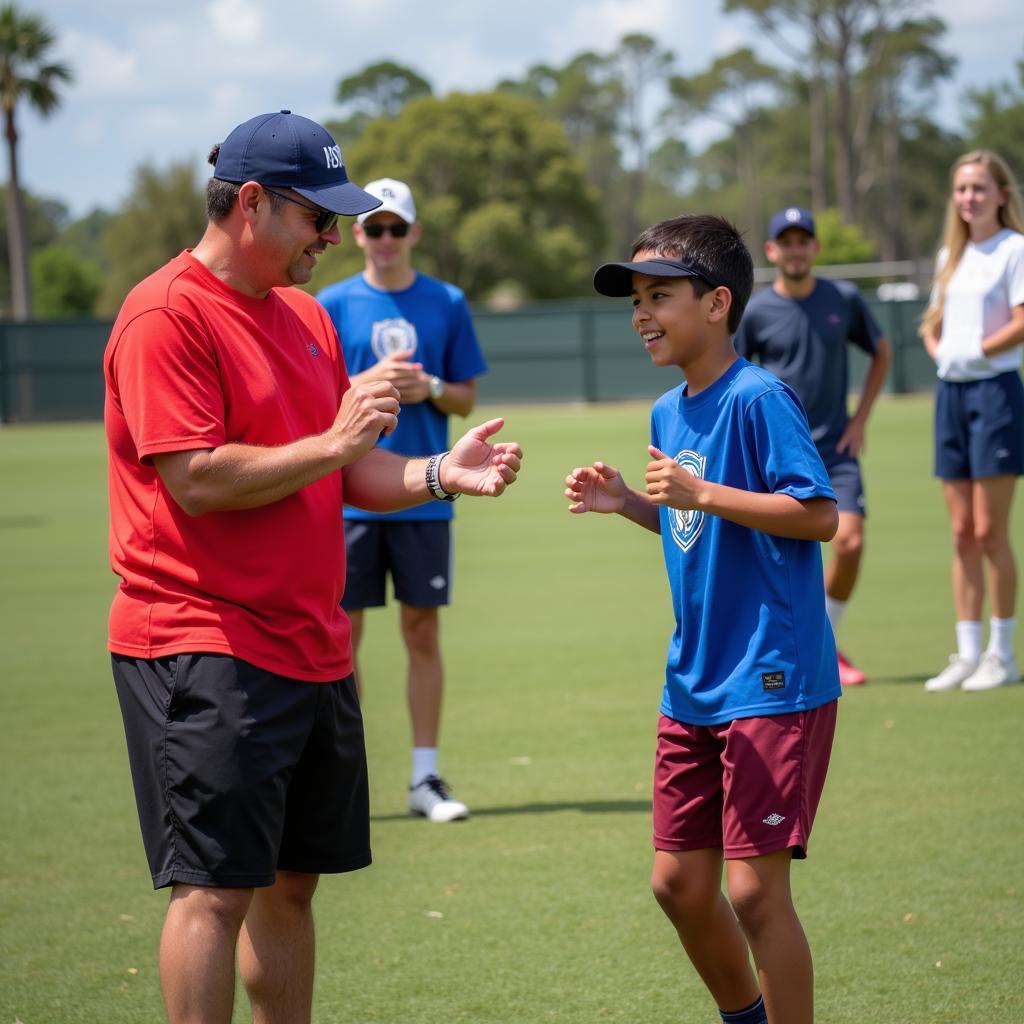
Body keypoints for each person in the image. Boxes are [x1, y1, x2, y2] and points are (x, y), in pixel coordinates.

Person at [103, 110, 522, 1024]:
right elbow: (198, 480)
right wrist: (334, 442)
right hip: (201, 641)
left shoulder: (301, 316)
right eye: (316, 217)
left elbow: (346, 470)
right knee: (214, 892)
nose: (332, 237)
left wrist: (436, 472)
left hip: (311, 646)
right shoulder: (164, 313)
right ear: (250, 204)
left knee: (292, 888)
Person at [565, 215, 840, 1024]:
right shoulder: (666, 413)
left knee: (755, 892)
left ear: (718, 303)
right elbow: (695, 523)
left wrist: (704, 493)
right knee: (680, 884)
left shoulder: (759, 399)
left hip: (769, 673)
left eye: (660, 296)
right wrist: (631, 506)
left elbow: (817, 513)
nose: (643, 314)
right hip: (692, 680)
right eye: (636, 301)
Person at [317, 178, 487, 822]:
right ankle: (345, 778)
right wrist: (365, 383)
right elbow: (313, 395)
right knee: (342, 635)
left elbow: (466, 397)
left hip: (425, 492)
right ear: (357, 233)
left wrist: (430, 386)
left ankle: (424, 777)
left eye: (397, 228)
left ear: (413, 232)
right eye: (373, 228)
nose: (385, 239)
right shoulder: (328, 303)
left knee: (422, 629)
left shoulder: (446, 301)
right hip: (348, 496)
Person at [734, 207, 892, 687]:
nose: (796, 249)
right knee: (775, 559)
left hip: (837, 452)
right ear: (772, 251)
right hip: (777, 456)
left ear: (815, 249)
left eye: (805, 240)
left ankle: (824, 639)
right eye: (788, 240)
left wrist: (860, 418)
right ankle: (784, 649)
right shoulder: (757, 310)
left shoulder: (843, 298)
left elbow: (881, 351)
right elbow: (735, 374)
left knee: (850, 541)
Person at [919, 150, 1024, 692]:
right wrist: (942, 351)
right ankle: (966, 652)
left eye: (980, 188)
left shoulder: (1014, 250)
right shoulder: (949, 255)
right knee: (961, 532)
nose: (970, 198)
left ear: (1002, 195)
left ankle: (1001, 655)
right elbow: (931, 322)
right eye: (962, 189)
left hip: (996, 394)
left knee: (989, 531)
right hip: (950, 395)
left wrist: (977, 350)